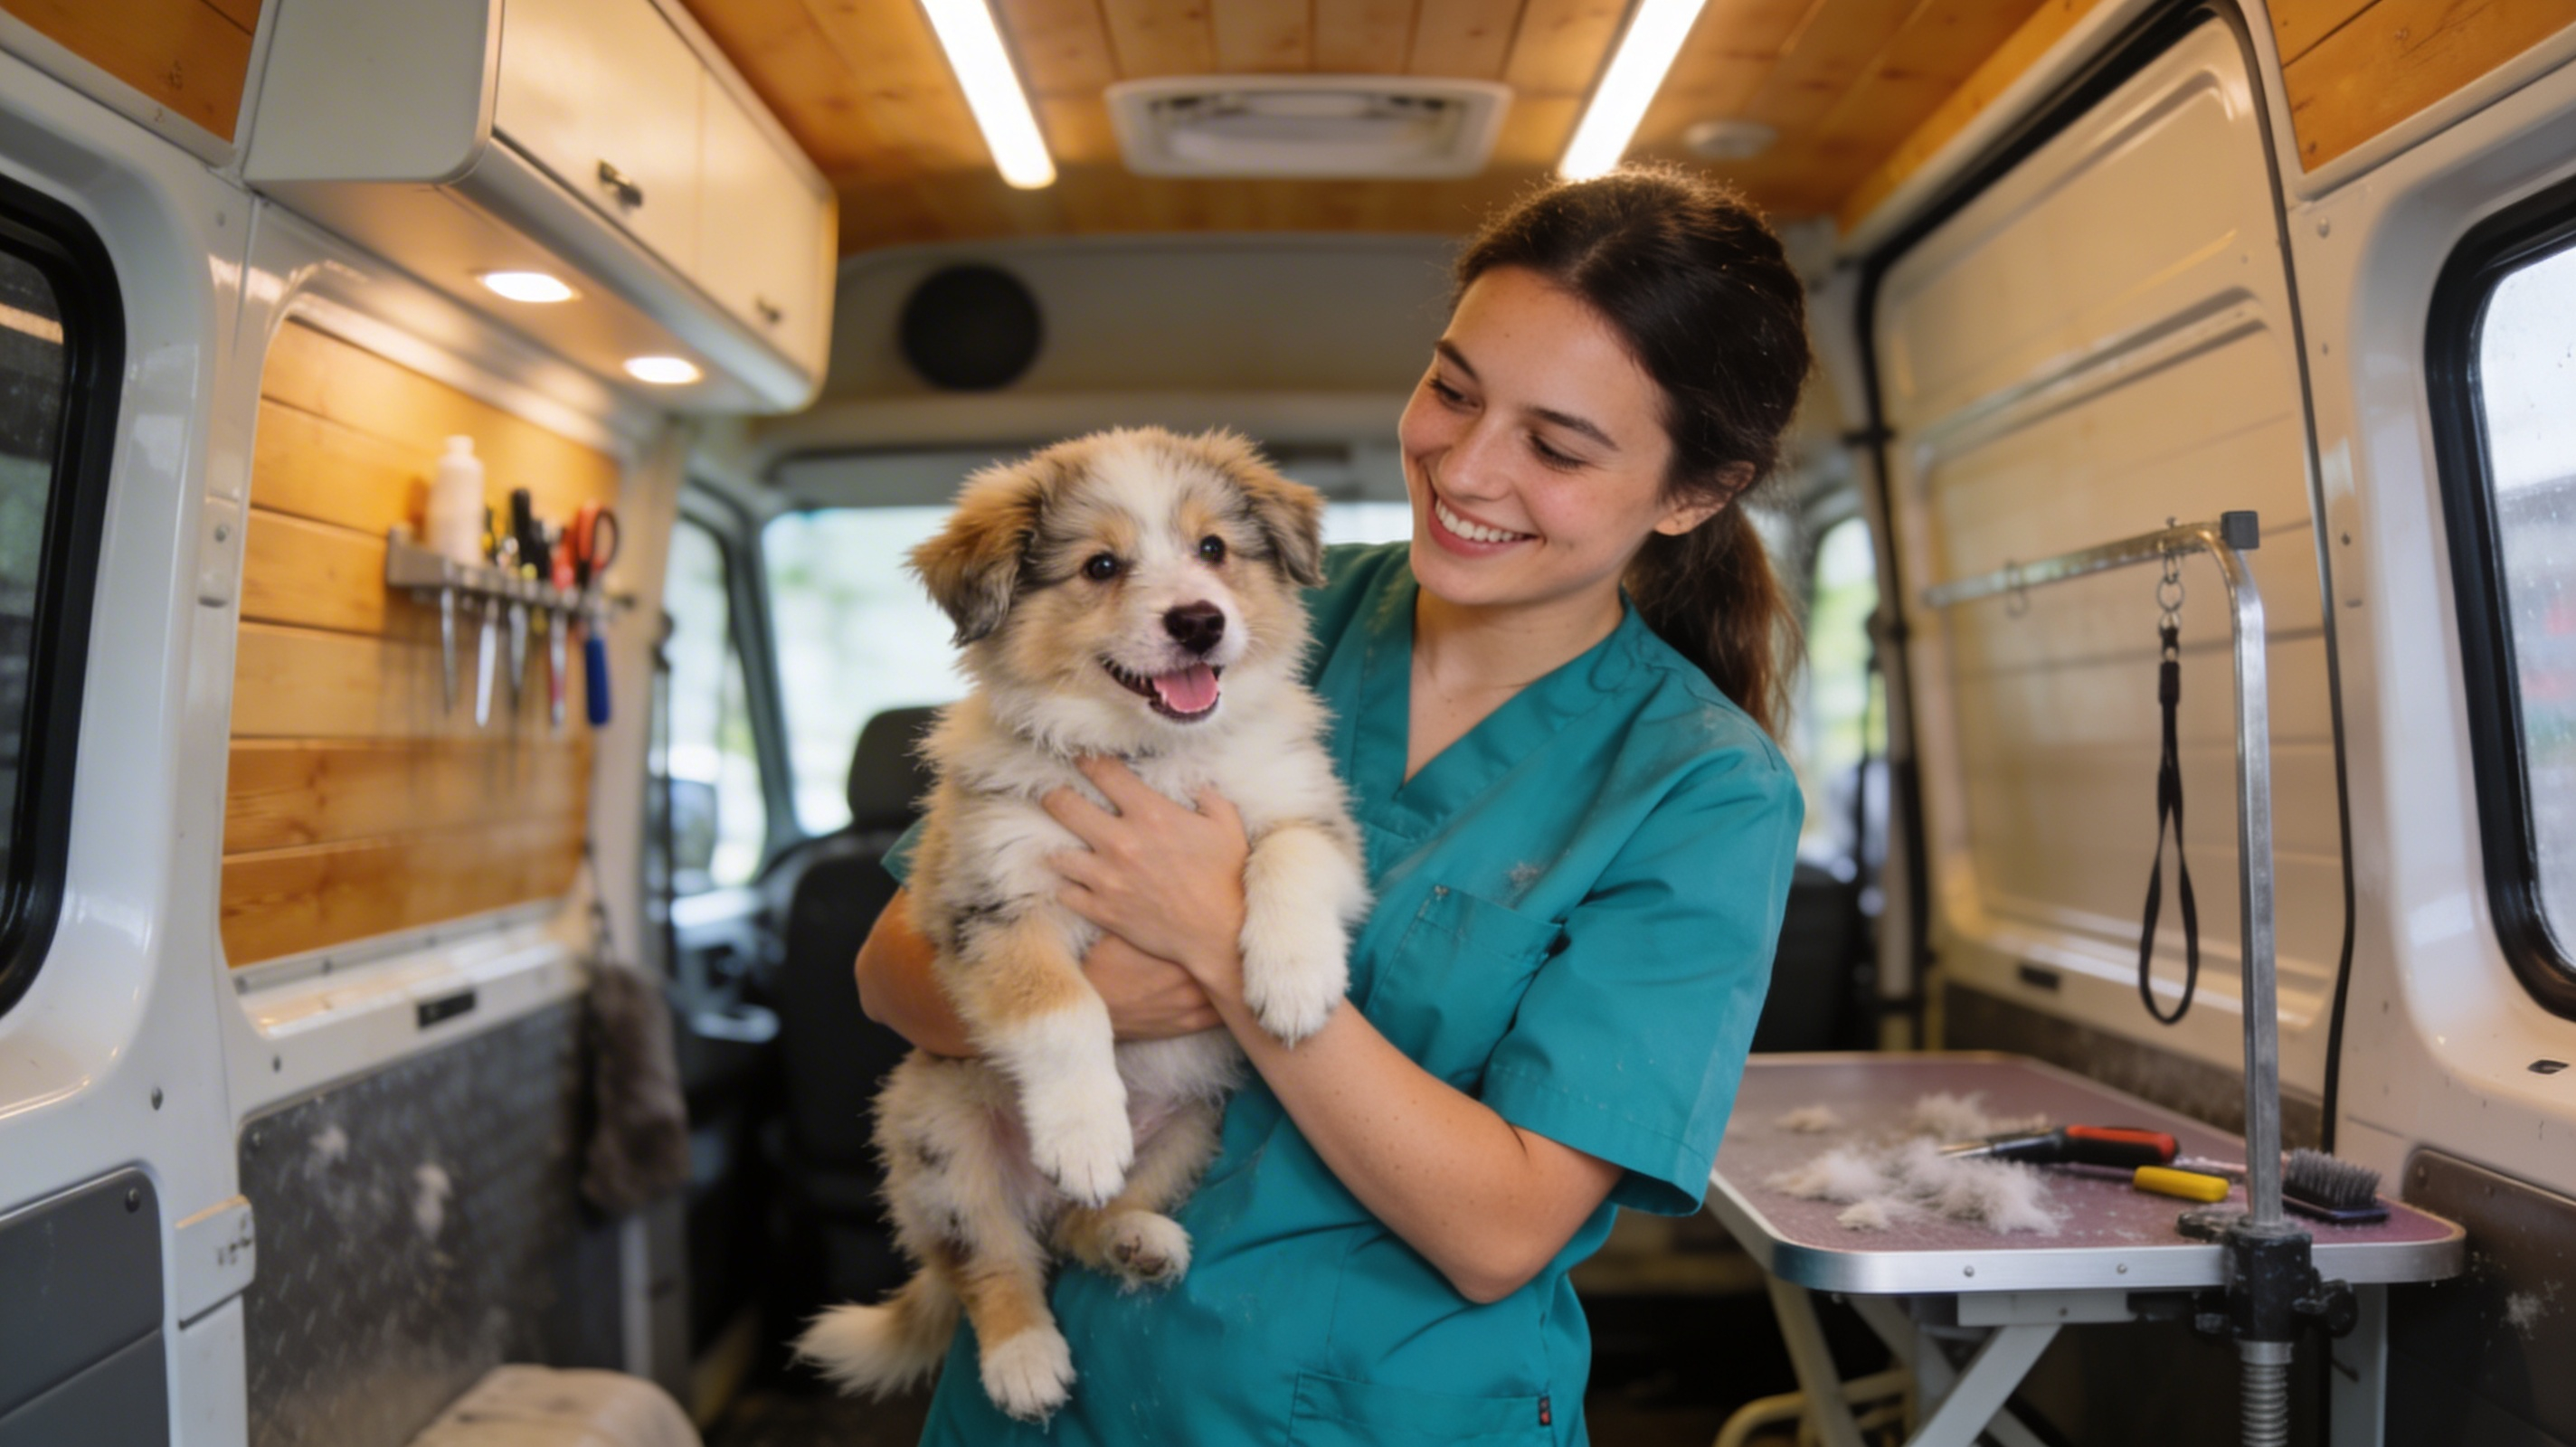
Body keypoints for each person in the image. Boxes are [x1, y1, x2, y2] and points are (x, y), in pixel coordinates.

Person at [854, 165, 1810, 1444]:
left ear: (1695, 493)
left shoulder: (1700, 790)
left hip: (1371, 1414)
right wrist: (1089, 998)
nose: (1466, 467)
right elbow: (895, 975)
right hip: (1047, 1402)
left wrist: (1213, 941)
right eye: (1452, 390)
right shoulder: (1241, 605)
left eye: (1557, 445)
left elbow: (1499, 1233)